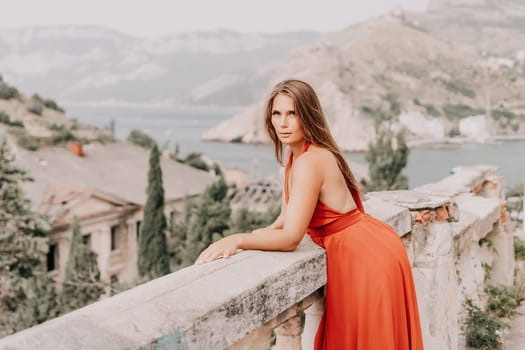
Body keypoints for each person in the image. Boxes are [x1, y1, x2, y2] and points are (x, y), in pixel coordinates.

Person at [196, 79, 424, 349]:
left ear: (308, 115)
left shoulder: (309, 161)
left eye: (292, 114)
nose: (283, 123)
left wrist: (237, 239)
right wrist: (257, 235)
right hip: (365, 249)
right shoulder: (296, 159)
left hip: (367, 258)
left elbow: (291, 238)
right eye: (276, 114)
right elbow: (283, 221)